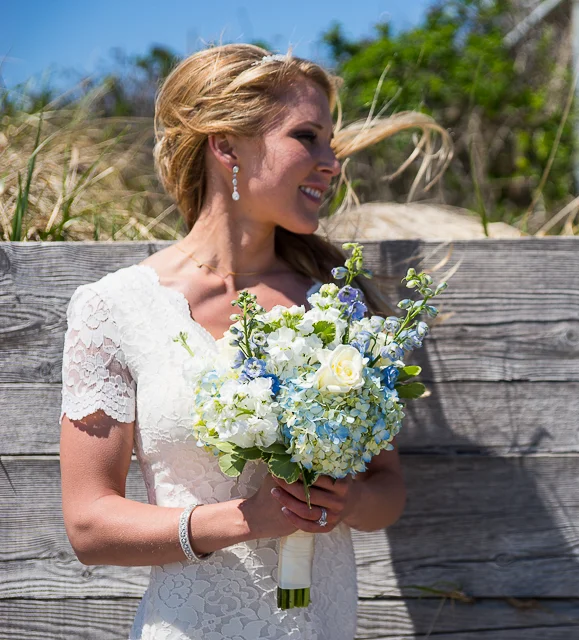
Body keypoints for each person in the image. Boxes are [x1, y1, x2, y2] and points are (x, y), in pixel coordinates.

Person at [59, 44, 408, 639]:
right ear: (227, 148)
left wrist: (343, 503)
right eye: (307, 137)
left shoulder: (338, 305)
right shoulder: (115, 309)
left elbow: (388, 488)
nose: (331, 162)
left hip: (322, 626)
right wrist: (246, 520)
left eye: (330, 141)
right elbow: (90, 525)